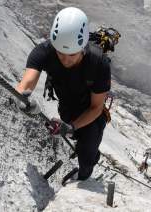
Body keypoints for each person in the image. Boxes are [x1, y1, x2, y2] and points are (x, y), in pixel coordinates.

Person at [15, 7, 111, 181]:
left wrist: (72, 126)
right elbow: (26, 83)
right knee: (75, 136)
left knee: (86, 152)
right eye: (61, 53)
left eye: (72, 54)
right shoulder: (45, 51)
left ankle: (84, 175)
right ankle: (81, 143)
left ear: (83, 47)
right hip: (66, 108)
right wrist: (23, 97)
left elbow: (96, 107)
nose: (66, 60)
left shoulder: (99, 63)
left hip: (92, 115)